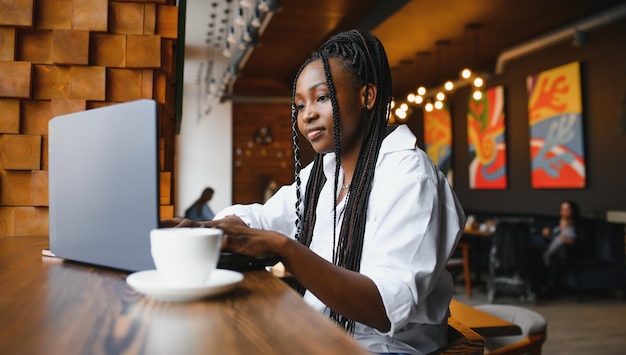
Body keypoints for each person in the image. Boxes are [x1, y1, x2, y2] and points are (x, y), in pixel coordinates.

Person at [165, 30, 466, 355]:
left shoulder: (410, 176)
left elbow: (381, 306)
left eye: (321, 97)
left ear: (368, 96)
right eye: (299, 105)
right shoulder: (322, 175)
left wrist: (287, 249)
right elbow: (260, 217)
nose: (306, 114)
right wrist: (207, 230)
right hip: (321, 334)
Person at [534, 200, 580, 298]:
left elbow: (580, 242)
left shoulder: (578, 225)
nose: (565, 212)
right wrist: (547, 236)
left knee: (553, 258)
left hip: (568, 253)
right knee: (537, 253)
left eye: (568, 209)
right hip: (553, 251)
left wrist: (567, 240)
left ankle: (550, 288)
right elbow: (552, 241)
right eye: (563, 209)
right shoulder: (557, 225)